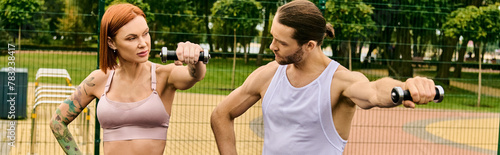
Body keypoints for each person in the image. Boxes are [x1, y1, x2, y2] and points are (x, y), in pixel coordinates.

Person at [210, 0, 437, 154]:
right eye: (272, 37)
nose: (272, 46)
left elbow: (375, 92)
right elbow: (221, 114)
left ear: (309, 45)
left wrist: (408, 85)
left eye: (282, 42)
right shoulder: (268, 75)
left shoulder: (339, 81)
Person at [49, 3, 206, 155]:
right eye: (132, 38)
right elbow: (57, 122)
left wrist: (195, 58)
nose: (143, 43)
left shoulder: (164, 75)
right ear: (111, 42)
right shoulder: (100, 79)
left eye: (145, 33)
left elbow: (195, 75)